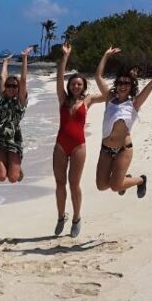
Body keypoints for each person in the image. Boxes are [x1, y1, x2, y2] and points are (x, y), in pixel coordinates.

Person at [93, 49, 152, 199]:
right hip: (106, 149)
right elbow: (98, 77)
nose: (122, 85)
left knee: (115, 186)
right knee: (102, 186)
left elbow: (151, 85)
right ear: (116, 84)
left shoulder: (134, 103)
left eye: (126, 83)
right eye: (120, 82)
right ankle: (124, 178)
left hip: (123, 149)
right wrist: (105, 56)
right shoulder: (109, 99)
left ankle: (141, 180)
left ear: (131, 85)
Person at [53, 42, 104, 237]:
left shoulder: (88, 100)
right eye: (73, 83)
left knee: (74, 184)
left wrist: (105, 59)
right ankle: (60, 216)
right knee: (60, 183)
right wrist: (65, 57)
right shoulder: (62, 98)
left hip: (78, 146)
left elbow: (107, 95)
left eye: (79, 84)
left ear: (83, 86)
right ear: (69, 86)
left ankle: (76, 217)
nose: (76, 86)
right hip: (60, 145)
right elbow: (59, 77)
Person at [0, 46, 32, 183]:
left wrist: (24, 58)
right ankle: (6, 162)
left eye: (14, 86)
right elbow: (2, 77)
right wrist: (5, 62)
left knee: (13, 178)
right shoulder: (3, 98)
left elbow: (23, 79)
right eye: (8, 86)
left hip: (13, 139)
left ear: (18, 88)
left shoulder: (20, 101)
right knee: (1, 177)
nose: (11, 88)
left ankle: (15, 166)